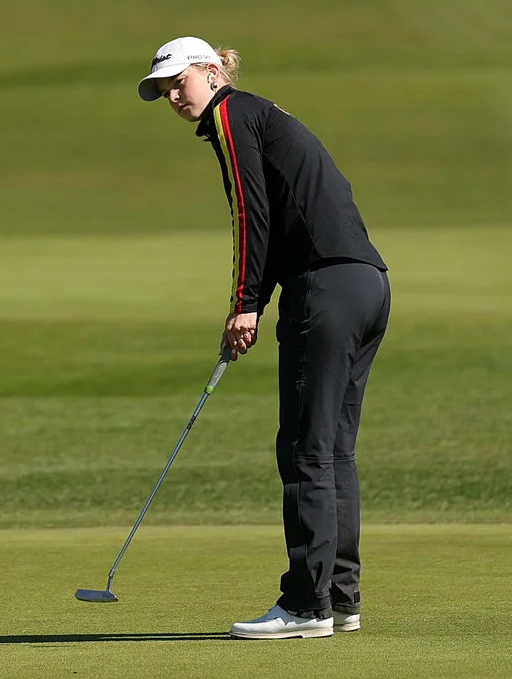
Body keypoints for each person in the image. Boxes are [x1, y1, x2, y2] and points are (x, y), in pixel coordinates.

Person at [136, 37, 390, 641]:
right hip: (365, 283)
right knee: (332, 451)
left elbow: (251, 215)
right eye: (164, 89)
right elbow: (281, 217)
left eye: (180, 81)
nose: (173, 96)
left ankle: (306, 606)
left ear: (212, 70)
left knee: (304, 449)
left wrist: (245, 304)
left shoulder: (229, 113)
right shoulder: (260, 114)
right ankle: (338, 596)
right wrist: (258, 298)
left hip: (325, 289)